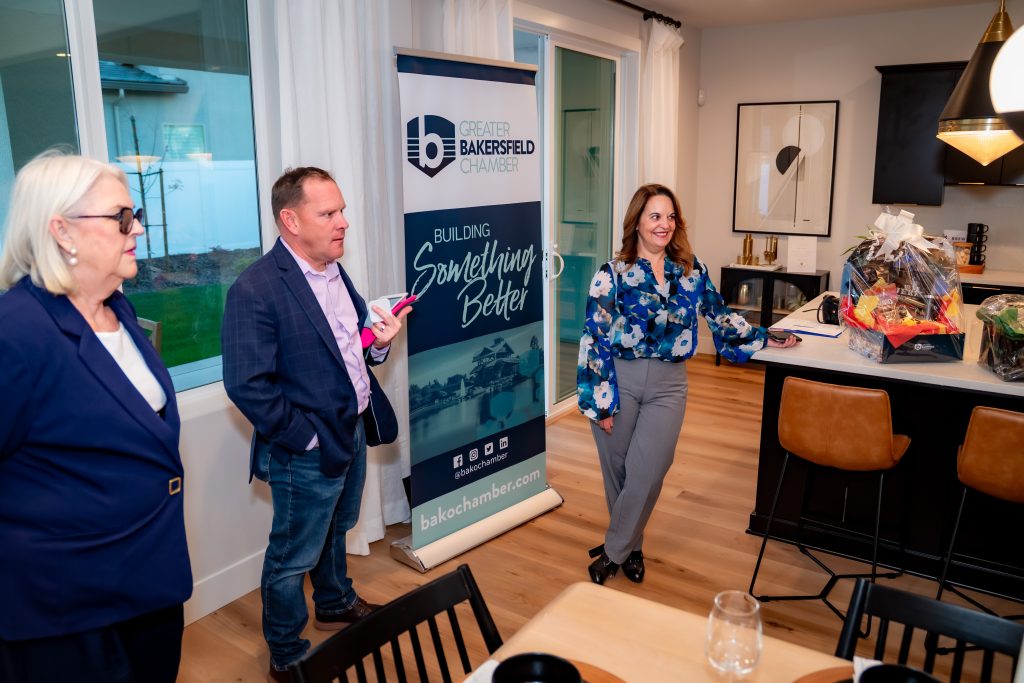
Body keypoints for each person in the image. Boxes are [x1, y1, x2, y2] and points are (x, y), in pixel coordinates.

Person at [0, 151, 191, 683]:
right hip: (66, 614)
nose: (139, 228)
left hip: (148, 585)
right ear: (62, 231)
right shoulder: (16, 333)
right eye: (122, 217)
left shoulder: (119, 311)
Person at [221, 166, 409, 681]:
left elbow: (352, 351)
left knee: (336, 529)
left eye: (342, 210)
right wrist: (304, 439)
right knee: (291, 555)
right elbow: (246, 385)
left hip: (349, 428)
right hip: (304, 445)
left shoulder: (333, 271)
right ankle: (287, 654)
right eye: (328, 213)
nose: (342, 222)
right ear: (291, 220)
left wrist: (383, 338)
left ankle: (333, 602)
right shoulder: (255, 289)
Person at [576, 183, 798, 585]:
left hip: (669, 385)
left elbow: (720, 317)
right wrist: (600, 402)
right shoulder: (612, 275)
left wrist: (768, 336)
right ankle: (633, 547)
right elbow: (594, 339)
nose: (664, 225)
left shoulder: (692, 272)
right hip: (618, 381)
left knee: (648, 471)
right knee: (619, 475)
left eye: (670, 216)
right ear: (637, 222)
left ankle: (612, 552)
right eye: (655, 216)